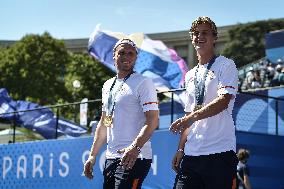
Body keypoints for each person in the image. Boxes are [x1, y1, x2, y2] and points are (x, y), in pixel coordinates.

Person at [170, 16, 239, 189]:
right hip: (192, 154)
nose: (199, 36)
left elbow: (223, 101)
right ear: (192, 38)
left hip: (219, 153)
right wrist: (180, 149)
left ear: (214, 38)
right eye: (196, 33)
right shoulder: (190, 75)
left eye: (205, 33)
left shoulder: (226, 65)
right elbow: (188, 114)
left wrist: (191, 117)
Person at [83, 39, 159, 189]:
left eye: (131, 53)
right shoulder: (107, 85)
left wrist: (135, 148)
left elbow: (152, 120)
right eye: (122, 52)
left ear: (136, 58)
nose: (126, 56)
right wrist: (92, 155)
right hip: (111, 158)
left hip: (135, 156)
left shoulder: (144, 83)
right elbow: (104, 122)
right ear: (114, 56)